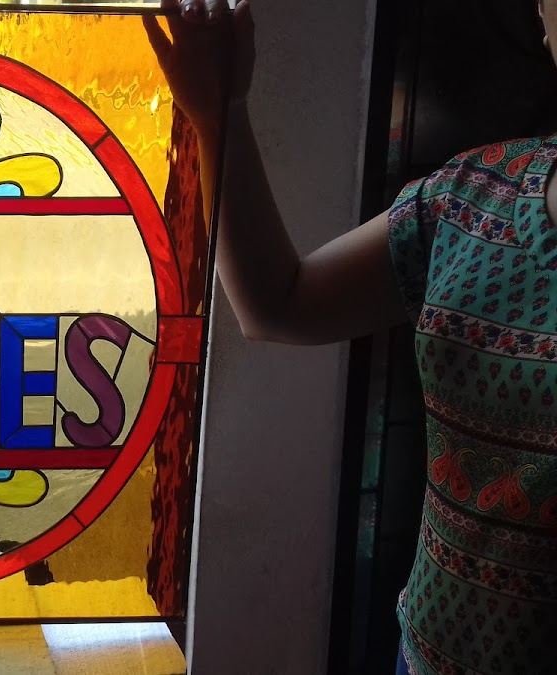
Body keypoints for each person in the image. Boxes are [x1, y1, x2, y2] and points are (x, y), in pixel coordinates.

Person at [145, 1, 557, 673]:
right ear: (541, 13)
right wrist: (219, 113)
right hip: (423, 656)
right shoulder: (470, 197)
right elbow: (278, 303)